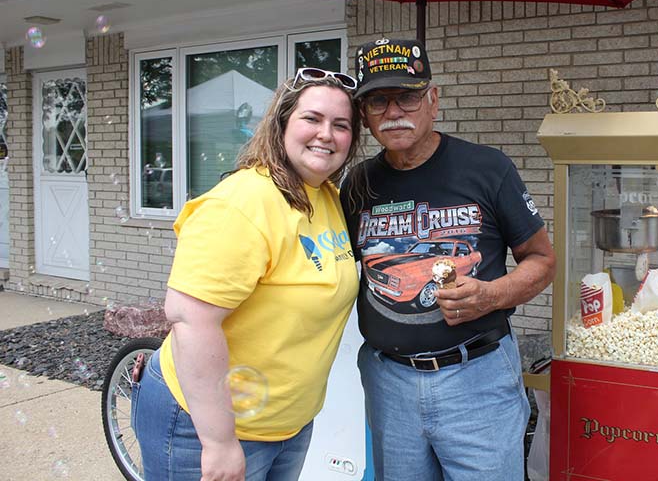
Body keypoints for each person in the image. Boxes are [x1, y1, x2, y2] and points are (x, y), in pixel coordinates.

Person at [341, 38, 556, 481]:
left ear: (433, 100)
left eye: (407, 95)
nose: (394, 110)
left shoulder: (488, 168)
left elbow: (541, 260)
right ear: (363, 113)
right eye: (378, 100)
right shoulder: (357, 184)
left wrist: (492, 295)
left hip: (477, 376)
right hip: (388, 380)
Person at [132, 67, 362, 481]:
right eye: (312, 119)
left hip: (287, 424)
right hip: (205, 426)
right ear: (281, 123)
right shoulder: (241, 203)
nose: (326, 134)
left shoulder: (326, 196)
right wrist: (219, 443)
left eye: (340, 125)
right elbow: (191, 318)